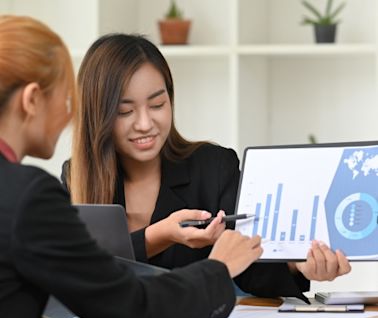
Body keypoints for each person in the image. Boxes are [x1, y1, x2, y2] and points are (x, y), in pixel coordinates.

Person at [0, 15, 265, 318]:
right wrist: (216, 268)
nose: (69, 115)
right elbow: (128, 303)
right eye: (66, 98)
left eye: (156, 105)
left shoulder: (214, 165)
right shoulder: (30, 194)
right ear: (32, 99)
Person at [62, 33, 351, 301]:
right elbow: (81, 274)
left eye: (157, 105)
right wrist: (158, 235)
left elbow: (251, 269)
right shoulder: (76, 177)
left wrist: (298, 265)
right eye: (125, 111)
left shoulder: (213, 167)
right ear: (98, 115)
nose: (145, 124)